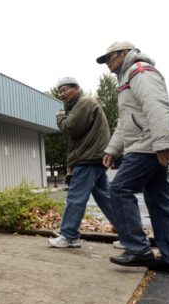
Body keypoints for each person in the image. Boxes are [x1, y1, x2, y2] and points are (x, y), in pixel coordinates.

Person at [97, 41, 169, 276]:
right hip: (146, 144)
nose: (107, 64)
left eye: (109, 58)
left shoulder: (139, 71)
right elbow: (126, 121)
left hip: (147, 145)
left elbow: (157, 106)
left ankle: (138, 249)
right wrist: (112, 149)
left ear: (124, 53)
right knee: (159, 201)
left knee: (118, 189)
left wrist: (163, 143)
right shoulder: (127, 78)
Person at [48, 77, 120, 248]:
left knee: (76, 197)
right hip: (94, 157)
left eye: (65, 89)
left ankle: (69, 235)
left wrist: (60, 117)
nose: (62, 94)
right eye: (60, 91)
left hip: (88, 158)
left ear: (76, 88)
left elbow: (70, 128)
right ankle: (129, 235)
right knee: (106, 198)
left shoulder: (85, 102)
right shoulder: (80, 104)